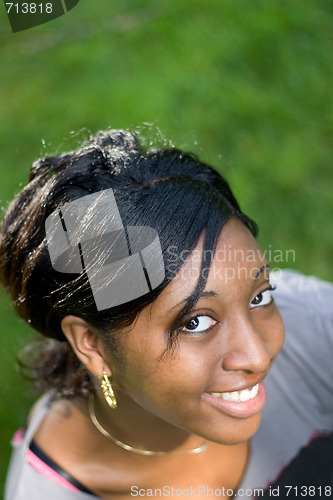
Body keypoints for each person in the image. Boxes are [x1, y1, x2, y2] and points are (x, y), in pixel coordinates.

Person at [1, 129, 332, 500]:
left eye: (258, 297)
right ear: (93, 345)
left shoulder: (312, 324)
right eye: (195, 322)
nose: (258, 356)